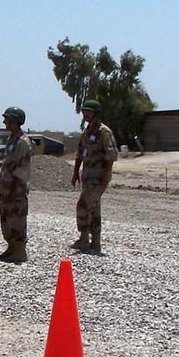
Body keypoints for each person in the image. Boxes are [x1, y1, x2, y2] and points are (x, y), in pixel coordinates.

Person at [70, 99, 119, 254]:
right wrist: (75, 172)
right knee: (94, 208)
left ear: (95, 113)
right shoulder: (87, 132)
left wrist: (105, 176)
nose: (85, 114)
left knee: (83, 204)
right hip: (87, 176)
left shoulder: (104, 132)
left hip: (98, 177)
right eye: (84, 111)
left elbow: (111, 154)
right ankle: (95, 243)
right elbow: (79, 153)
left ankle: (84, 238)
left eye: (88, 112)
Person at [0, 106, 33, 263]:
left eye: (7, 119)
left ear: (15, 121)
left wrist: (12, 191)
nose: (4, 122)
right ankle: (11, 248)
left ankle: (19, 252)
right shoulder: (12, 139)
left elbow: (21, 170)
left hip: (16, 191)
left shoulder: (22, 142)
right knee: (7, 220)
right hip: (7, 189)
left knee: (16, 220)